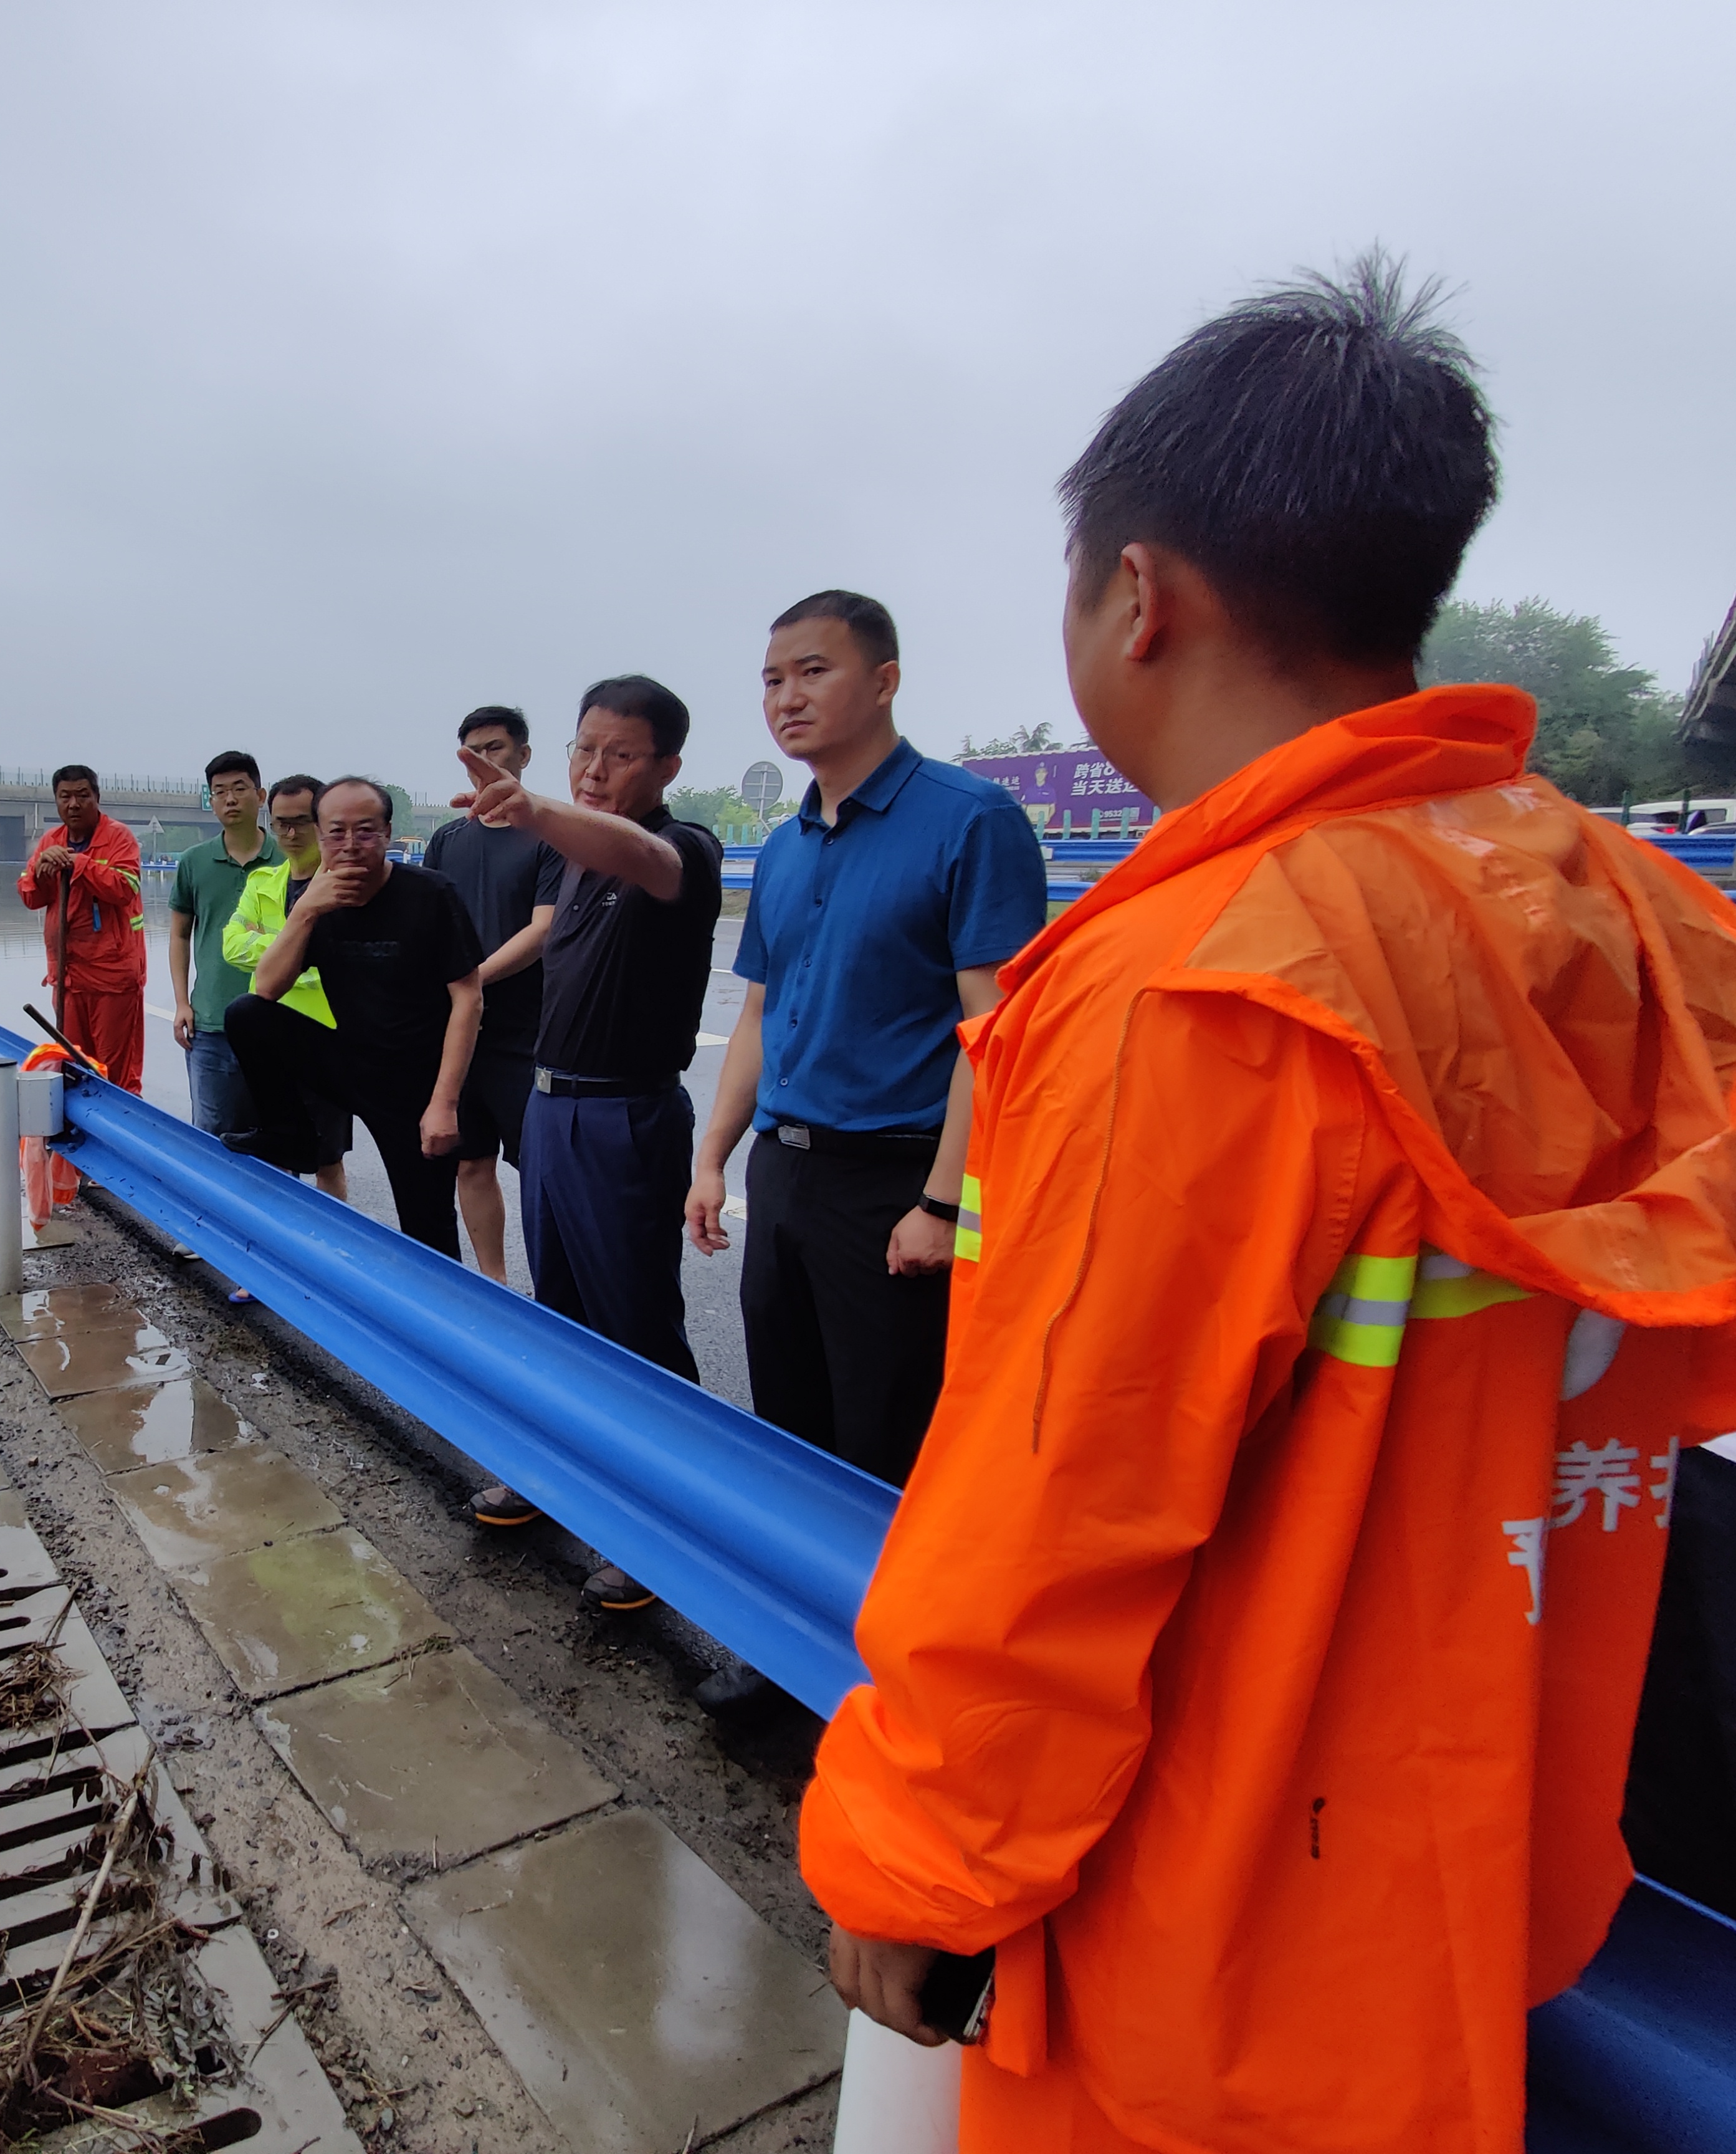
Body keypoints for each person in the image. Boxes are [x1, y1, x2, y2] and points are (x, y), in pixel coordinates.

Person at [802, 259, 1736, 2153]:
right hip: (1510, 1839)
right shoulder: (1640, 920)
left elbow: (1060, 1511)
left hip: (1210, 1924)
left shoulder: (1200, 990)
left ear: (1141, 596)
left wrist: (912, 1862)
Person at [685, 593, 1044, 1493]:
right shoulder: (784, 847)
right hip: (786, 1171)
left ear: (884, 682)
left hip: (895, 1184)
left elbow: (993, 1033)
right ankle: (802, 1621)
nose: (787, 698)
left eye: (814, 671)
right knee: (790, 1427)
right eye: (773, 680)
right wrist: (715, 1159)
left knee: (888, 1438)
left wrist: (943, 1205)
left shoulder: (969, 820)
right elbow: (761, 1017)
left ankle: (884, 1632)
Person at [457, 677, 722, 1613]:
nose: (595, 770)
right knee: (557, 1312)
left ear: (667, 767)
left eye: (619, 754)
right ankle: (550, 1475)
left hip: (627, 1116)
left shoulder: (682, 850)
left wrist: (537, 807)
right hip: (552, 1110)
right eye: (583, 750)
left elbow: (645, 853)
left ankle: (656, 1531)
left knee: (639, 1327)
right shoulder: (567, 865)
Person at [224, 777, 482, 1258]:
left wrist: (445, 1104)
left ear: (387, 832)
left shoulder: (430, 895)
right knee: (246, 1015)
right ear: (320, 837)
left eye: (365, 832)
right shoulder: (318, 902)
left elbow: (469, 998)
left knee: (428, 1228)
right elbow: (266, 988)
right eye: (335, 833)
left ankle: (435, 1327)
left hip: (418, 1087)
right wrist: (306, 912)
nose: (349, 845)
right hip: (351, 1064)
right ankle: (291, 1135)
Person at [424, 705, 563, 1283]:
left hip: (525, 1034)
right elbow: (427, 925)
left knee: (540, 1171)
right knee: (470, 1163)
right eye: (473, 750)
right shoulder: (447, 839)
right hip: (460, 1036)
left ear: (524, 756)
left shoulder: (548, 837)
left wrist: (471, 980)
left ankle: (554, 1292)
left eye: (496, 748)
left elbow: (543, 930)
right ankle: (496, 1285)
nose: (484, 760)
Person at [222, 776, 350, 1202]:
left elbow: (333, 961)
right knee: (270, 1149)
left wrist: (275, 949)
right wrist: (291, 948)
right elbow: (231, 947)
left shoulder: (341, 886)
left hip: (325, 1036)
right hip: (269, 1043)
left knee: (327, 1158)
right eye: (281, 824)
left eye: (301, 822)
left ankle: (333, 1248)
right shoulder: (263, 883)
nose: (291, 834)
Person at [166, 750, 277, 1136]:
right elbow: (180, 934)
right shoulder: (194, 862)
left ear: (260, 796)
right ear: (211, 801)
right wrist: (182, 1002)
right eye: (220, 791)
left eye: (240, 788)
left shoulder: (287, 857)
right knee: (211, 1133)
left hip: (275, 1018)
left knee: (276, 1132)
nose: (230, 799)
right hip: (211, 1023)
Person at [18, 764, 145, 1093]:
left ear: (96, 798)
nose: (73, 804)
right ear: (57, 802)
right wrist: (43, 871)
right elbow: (30, 897)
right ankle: (76, 1141)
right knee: (73, 1067)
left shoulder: (119, 838)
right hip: (68, 977)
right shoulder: (51, 840)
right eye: (65, 797)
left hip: (112, 976)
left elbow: (124, 888)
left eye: (82, 796)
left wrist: (80, 863)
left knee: (116, 1073)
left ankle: (122, 1137)